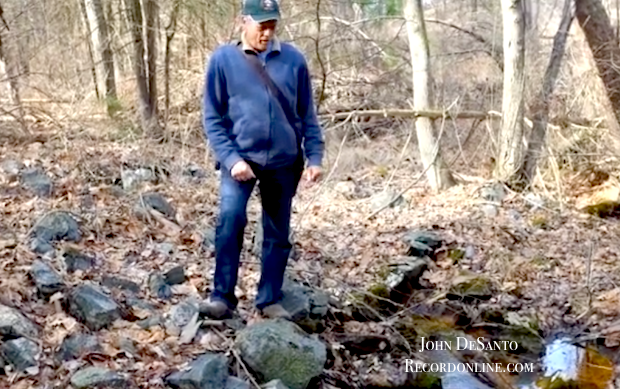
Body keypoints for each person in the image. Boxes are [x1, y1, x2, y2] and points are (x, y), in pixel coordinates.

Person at [201, 0, 324, 319]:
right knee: (230, 220)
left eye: (272, 25)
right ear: (244, 22)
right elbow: (212, 117)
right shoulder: (223, 60)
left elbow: (306, 113)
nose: (267, 32)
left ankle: (268, 299)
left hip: (283, 163)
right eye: (261, 25)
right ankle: (222, 297)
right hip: (240, 159)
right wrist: (231, 159)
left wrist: (315, 155)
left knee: (277, 232)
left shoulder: (293, 60)